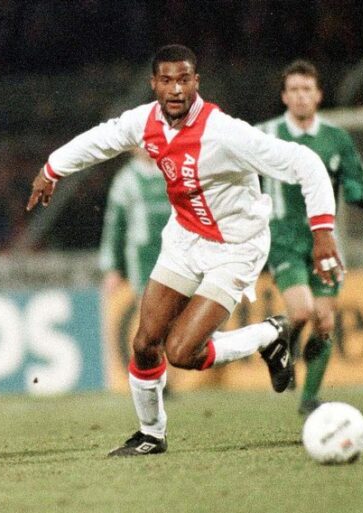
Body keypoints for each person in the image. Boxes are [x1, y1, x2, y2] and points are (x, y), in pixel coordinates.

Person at [26, 45, 342, 457]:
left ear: (196, 82)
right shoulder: (145, 121)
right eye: (167, 80)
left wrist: (323, 233)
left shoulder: (224, 133)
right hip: (185, 239)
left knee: (182, 352)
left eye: (184, 80)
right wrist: (52, 169)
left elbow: (306, 163)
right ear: (153, 84)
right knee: (144, 342)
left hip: (236, 245)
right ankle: (151, 435)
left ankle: (270, 335)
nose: (175, 89)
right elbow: (101, 140)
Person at [259, 60, 363, 415]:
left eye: (306, 89)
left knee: (324, 322)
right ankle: (285, 348)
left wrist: (357, 191)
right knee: (302, 310)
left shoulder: (337, 139)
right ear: (284, 96)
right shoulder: (265, 134)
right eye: (293, 90)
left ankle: (309, 399)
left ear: (318, 95)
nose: (300, 96)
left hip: (324, 241)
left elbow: (358, 179)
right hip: (283, 238)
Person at [99, 150, 169, 298]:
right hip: (144, 256)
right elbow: (114, 225)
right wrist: (112, 268)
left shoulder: (176, 170)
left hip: (177, 253)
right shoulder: (126, 179)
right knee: (147, 303)